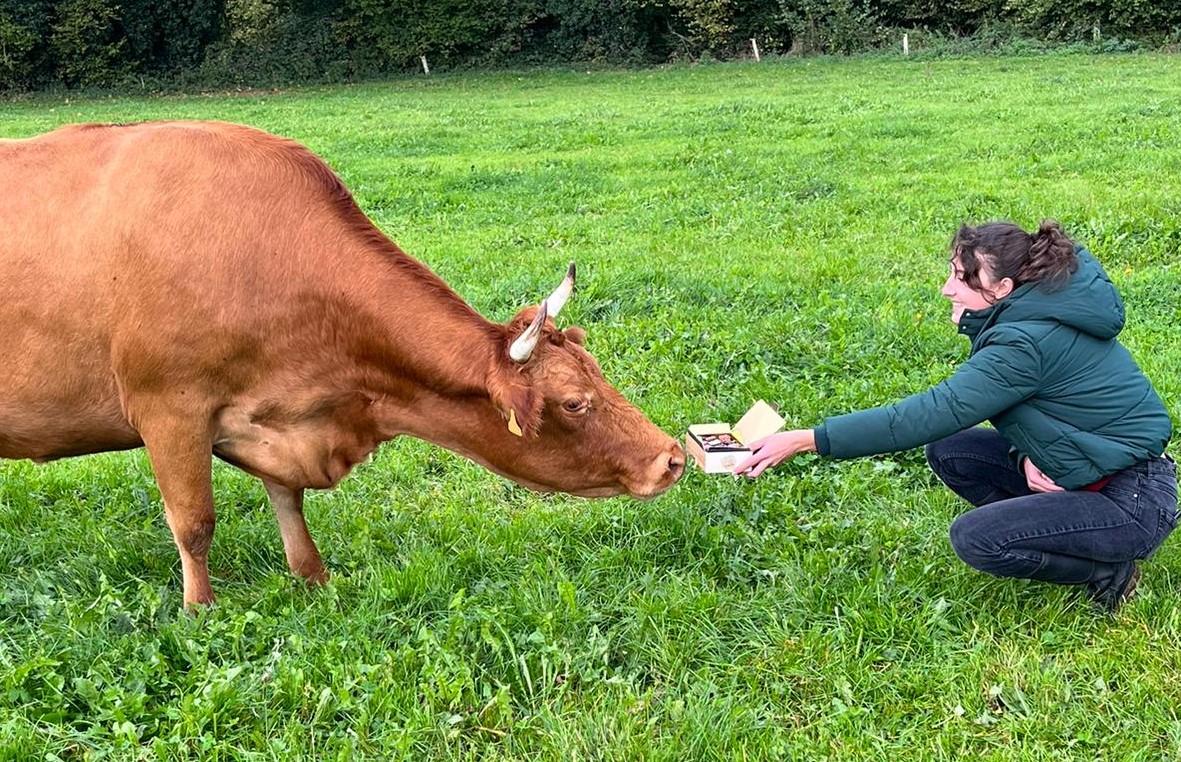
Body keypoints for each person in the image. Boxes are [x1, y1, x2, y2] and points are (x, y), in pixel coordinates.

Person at [733, 220, 1177, 613]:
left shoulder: (1023, 343)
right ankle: (1054, 530)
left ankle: (1106, 571)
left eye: (962, 277)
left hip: (1132, 500)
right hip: (1100, 473)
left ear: (1002, 289)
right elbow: (1056, 407)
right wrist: (1027, 456)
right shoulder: (1037, 312)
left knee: (978, 538)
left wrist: (806, 439)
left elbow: (927, 413)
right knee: (953, 450)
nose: (948, 287)